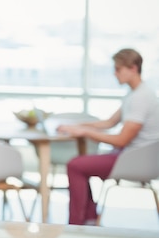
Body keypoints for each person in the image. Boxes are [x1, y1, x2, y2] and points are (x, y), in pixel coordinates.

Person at [58, 48, 159, 225]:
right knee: (80, 164)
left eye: (118, 69)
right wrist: (76, 126)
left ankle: (77, 223)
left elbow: (121, 140)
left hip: (133, 160)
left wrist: (86, 132)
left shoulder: (141, 98)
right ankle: (88, 219)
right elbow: (109, 123)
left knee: (75, 165)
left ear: (133, 69)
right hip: (129, 155)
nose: (115, 73)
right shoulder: (134, 94)